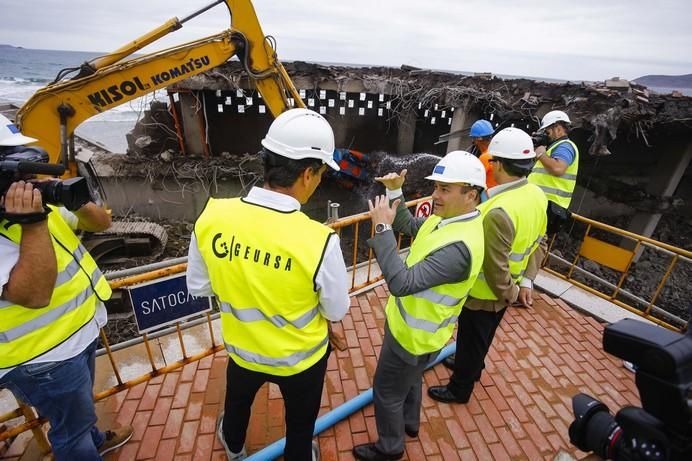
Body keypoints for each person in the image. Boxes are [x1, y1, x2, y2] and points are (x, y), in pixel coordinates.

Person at [186, 108, 350, 461]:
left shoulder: (213, 215)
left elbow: (199, 287)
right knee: (301, 424)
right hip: (300, 361)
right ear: (308, 174)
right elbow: (336, 309)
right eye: (321, 174)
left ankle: (232, 446)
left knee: (237, 405)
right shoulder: (319, 241)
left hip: (242, 351)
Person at [0, 115, 133, 460]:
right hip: (43, 356)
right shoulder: (27, 218)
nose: (26, 175)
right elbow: (35, 294)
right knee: (71, 434)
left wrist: (69, 198)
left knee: (82, 412)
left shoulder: (38, 204)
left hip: (78, 333)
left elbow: (101, 222)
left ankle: (95, 439)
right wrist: (31, 222)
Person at [351, 151, 486, 461]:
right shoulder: (446, 221)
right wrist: (396, 190)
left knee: (386, 391)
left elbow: (402, 283)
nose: (434, 194)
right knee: (411, 380)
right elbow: (410, 225)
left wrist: (382, 229)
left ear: (471, 194)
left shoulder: (460, 248)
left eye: (444, 189)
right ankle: (410, 424)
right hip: (419, 333)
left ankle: (390, 447)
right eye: (436, 186)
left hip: (412, 337)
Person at [428, 127, 547, 405]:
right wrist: (525, 282)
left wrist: (509, 293)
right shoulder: (536, 195)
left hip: (487, 292)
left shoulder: (498, 210)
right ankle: (474, 367)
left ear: (500, 165)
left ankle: (460, 389)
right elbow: (540, 243)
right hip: (509, 287)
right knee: (482, 338)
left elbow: (495, 265)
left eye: (493, 161)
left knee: (471, 339)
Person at [528, 110, 580, 209]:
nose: (545, 135)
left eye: (547, 131)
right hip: (541, 203)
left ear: (558, 129)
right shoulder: (552, 147)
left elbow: (558, 169)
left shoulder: (565, 146)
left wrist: (541, 154)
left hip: (550, 206)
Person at [469, 119, 497, 189]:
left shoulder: (485, 157)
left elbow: (473, 181)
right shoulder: (496, 152)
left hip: (489, 195)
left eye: (473, 138)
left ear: (477, 139)